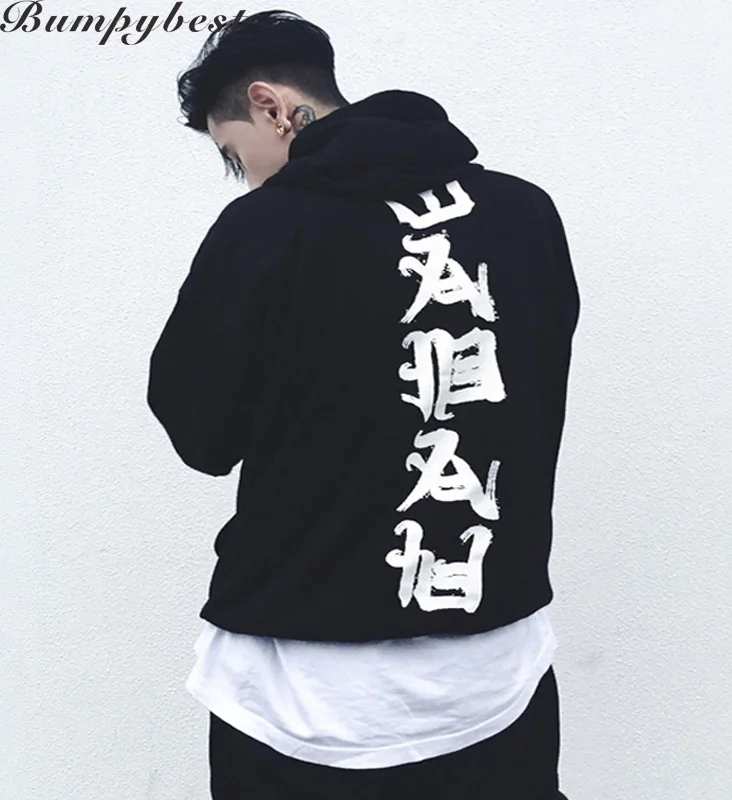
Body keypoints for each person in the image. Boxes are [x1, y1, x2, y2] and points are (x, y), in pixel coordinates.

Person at [147, 9, 580, 799]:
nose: (246, 178)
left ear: (271, 105)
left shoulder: (263, 231)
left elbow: (202, 434)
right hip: (492, 676)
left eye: (234, 156)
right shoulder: (526, 214)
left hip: (300, 693)